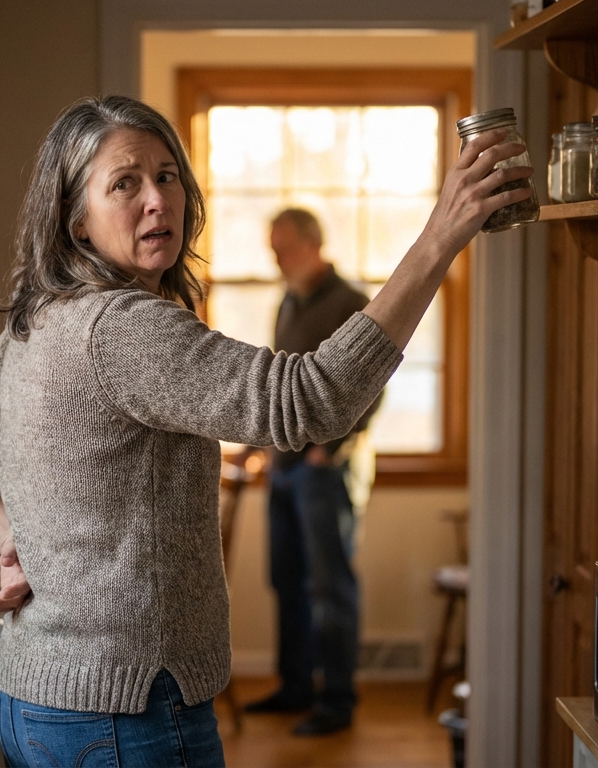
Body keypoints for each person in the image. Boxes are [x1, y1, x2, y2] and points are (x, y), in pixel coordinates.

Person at [0, 95, 531, 767]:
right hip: (128, 713)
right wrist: (440, 237)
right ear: (76, 221)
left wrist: (12, 539)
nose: (157, 200)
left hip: (35, 703)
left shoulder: (39, 320)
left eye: (167, 175)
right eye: (125, 183)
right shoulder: (123, 328)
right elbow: (307, 400)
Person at [243, 207, 375, 736]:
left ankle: (337, 699)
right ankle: (295, 686)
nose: (274, 258)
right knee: (286, 580)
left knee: (330, 586)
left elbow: (373, 385)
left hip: (323, 471)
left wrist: (331, 448)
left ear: (312, 244)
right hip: (284, 466)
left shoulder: (352, 303)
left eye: (282, 248)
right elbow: (281, 381)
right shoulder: (290, 299)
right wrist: (262, 448)